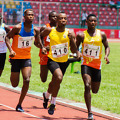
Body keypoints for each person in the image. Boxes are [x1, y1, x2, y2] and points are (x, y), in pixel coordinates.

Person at [40, 12, 81, 115]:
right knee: (58, 77)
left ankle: (46, 95)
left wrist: (73, 42)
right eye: (61, 18)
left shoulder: (70, 32)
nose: (63, 20)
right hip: (52, 60)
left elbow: (73, 48)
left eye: (65, 18)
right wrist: (43, 47)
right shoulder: (50, 30)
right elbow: (40, 36)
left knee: (55, 81)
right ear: (57, 20)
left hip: (64, 61)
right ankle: (53, 103)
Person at [5, 9, 45, 112]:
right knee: (14, 84)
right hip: (15, 58)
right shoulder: (17, 28)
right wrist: (11, 50)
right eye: (28, 15)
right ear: (24, 16)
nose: (31, 16)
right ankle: (13, 72)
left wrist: (42, 48)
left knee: (27, 80)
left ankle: (19, 104)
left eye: (32, 15)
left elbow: (37, 43)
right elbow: (7, 38)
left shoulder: (36, 30)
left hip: (26, 58)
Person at [76, 14, 110, 120]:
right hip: (86, 63)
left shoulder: (102, 34)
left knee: (94, 90)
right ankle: (90, 112)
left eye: (94, 21)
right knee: (87, 85)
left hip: (97, 65)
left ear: (96, 22)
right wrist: (78, 53)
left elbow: (107, 46)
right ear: (86, 22)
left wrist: (106, 55)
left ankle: (90, 95)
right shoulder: (81, 35)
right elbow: (75, 47)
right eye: (90, 21)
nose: (93, 23)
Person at [39, 11, 57, 83]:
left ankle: (50, 90)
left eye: (56, 16)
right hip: (45, 54)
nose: (55, 18)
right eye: (53, 16)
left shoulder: (60, 28)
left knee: (57, 75)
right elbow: (39, 38)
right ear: (49, 18)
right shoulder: (45, 27)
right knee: (43, 79)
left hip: (55, 54)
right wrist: (43, 47)